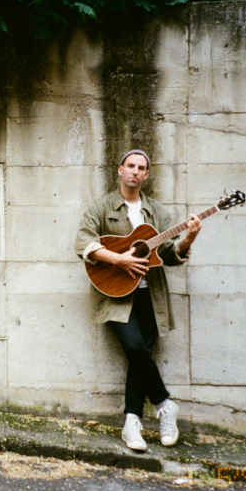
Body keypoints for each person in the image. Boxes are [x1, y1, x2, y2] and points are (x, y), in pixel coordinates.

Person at [74, 150, 202, 451]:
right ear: (120, 170)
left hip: (150, 294)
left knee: (139, 357)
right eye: (130, 166)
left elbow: (169, 254)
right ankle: (164, 403)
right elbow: (83, 242)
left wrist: (189, 238)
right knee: (134, 347)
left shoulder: (156, 212)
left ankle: (132, 423)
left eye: (141, 168)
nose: (135, 171)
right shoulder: (102, 207)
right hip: (116, 295)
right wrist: (118, 259)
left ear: (146, 175)